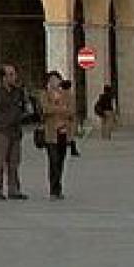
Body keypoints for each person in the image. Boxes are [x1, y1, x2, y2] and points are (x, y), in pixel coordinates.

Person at [0, 63, 28, 201]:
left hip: (15, 131)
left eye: (14, 74)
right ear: (3, 77)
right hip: (1, 131)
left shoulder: (19, 92)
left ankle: (14, 189)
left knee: (14, 162)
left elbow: (24, 108)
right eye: (10, 74)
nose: (14, 77)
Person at [41, 71, 76, 200]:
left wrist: (56, 108)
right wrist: (61, 108)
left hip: (63, 133)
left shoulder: (67, 95)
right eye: (52, 80)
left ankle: (58, 187)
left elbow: (72, 111)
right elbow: (45, 109)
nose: (54, 82)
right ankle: (53, 190)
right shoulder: (45, 95)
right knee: (53, 161)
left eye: (56, 79)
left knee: (61, 162)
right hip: (51, 134)